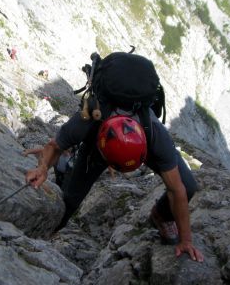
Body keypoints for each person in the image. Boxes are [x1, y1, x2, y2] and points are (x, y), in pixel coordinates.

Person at [25, 53, 204, 261]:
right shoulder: (90, 119)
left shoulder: (156, 137)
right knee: (70, 199)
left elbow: (177, 189)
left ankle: (161, 216)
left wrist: (186, 241)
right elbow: (54, 145)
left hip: (138, 143)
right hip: (97, 150)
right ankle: (47, 232)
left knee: (189, 185)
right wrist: (42, 168)